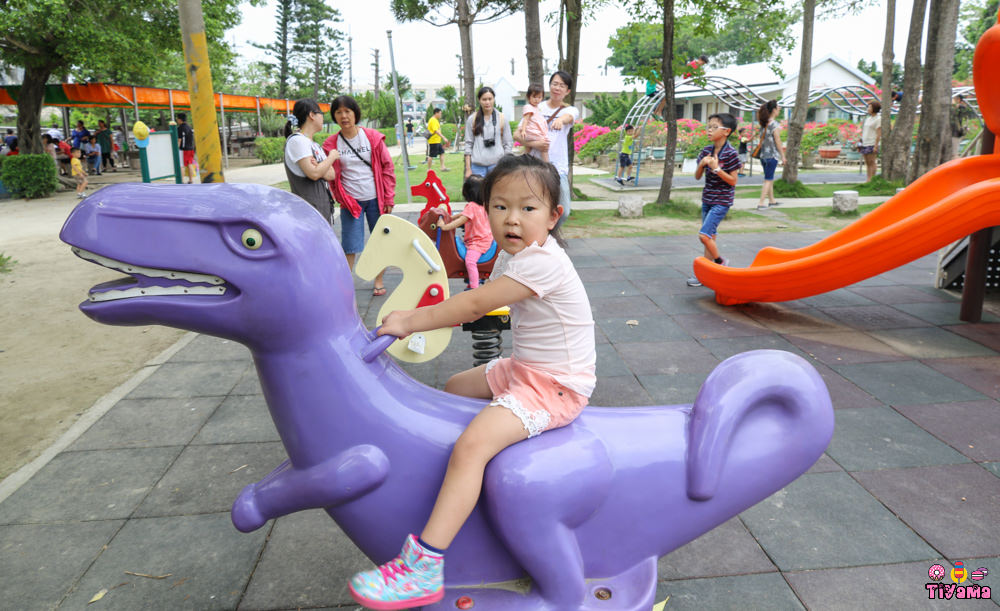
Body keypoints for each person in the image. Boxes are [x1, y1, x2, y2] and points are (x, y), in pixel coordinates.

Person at [347, 154, 596, 610]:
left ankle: (422, 567)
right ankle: (463, 487)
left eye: (528, 208)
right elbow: (477, 297)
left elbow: (473, 306)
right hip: (525, 367)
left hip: (555, 385)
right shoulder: (514, 255)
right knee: (456, 389)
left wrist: (410, 321)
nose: (512, 219)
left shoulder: (543, 263)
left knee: (471, 446)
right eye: (500, 207)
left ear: (553, 215)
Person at [322, 95, 397, 297]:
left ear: (355, 113)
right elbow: (331, 176)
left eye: (348, 111)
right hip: (350, 202)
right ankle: (345, 287)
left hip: (376, 199)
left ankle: (379, 280)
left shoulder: (372, 137)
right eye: (339, 112)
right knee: (350, 245)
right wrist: (340, 196)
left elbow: (387, 167)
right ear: (334, 116)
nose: (344, 116)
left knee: (379, 241)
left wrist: (389, 197)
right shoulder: (331, 144)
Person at [514, 71, 579, 224]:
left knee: (563, 210)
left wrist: (560, 121)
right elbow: (517, 135)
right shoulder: (536, 107)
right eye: (555, 84)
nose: (557, 88)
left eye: (562, 86)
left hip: (558, 168)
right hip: (534, 167)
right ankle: (540, 240)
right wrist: (534, 144)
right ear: (550, 86)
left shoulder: (569, 110)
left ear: (567, 91)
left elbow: (568, 117)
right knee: (533, 208)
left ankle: (549, 238)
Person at [686, 113, 741, 288]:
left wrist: (716, 169)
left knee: (704, 235)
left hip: (722, 201)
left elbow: (733, 181)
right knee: (711, 237)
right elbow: (697, 177)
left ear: (726, 131)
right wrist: (702, 164)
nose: (709, 130)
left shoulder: (731, 154)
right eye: (708, 126)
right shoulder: (706, 151)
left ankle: (719, 262)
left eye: (714, 127)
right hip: (707, 198)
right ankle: (705, 276)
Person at [283, 98, 339, 225]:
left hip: (320, 210)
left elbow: (331, 174)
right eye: (321, 114)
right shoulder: (297, 141)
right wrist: (331, 157)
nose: (323, 118)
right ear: (312, 115)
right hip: (309, 214)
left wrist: (319, 167)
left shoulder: (313, 144)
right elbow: (313, 174)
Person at [436, 175, 491, 289]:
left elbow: (462, 220)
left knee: (470, 261)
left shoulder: (471, 206)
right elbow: (462, 215)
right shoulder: (483, 205)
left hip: (478, 242)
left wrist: (445, 227)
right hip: (486, 238)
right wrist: (450, 217)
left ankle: (474, 287)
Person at [464, 86, 513, 177]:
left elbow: (508, 143)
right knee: (478, 191)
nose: (487, 102)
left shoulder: (502, 118)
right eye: (484, 99)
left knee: (496, 191)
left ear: (494, 99)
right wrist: (468, 169)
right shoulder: (472, 119)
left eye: (490, 99)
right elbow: (468, 144)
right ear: (479, 100)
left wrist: (505, 165)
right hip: (477, 168)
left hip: (497, 166)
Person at [755, 99, 786, 210]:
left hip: (763, 156)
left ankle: (772, 200)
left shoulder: (763, 124)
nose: (779, 110)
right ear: (773, 110)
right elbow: (778, 141)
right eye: (778, 108)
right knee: (768, 179)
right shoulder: (775, 125)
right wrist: (783, 156)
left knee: (769, 178)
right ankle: (761, 202)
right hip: (772, 155)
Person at [517, 84, 550, 163]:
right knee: (544, 146)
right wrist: (524, 130)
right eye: (534, 97)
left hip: (533, 132)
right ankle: (547, 165)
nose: (537, 100)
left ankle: (522, 161)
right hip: (531, 132)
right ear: (529, 97)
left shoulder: (537, 108)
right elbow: (526, 120)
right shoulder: (528, 107)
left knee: (528, 148)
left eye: (539, 97)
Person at [859, 101, 881, 182]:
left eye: (870, 107)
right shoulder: (868, 118)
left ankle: (872, 179)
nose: (868, 109)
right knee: (867, 162)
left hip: (872, 142)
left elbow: (879, 133)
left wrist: (876, 145)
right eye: (868, 107)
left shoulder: (878, 119)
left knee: (872, 162)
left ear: (874, 108)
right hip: (865, 142)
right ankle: (868, 179)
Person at [176, 113, 197, 183]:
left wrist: (177, 148)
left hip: (183, 149)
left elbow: (179, 140)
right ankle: (191, 180)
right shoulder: (189, 127)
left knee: (181, 165)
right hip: (191, 148)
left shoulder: (180, 128)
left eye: (177, 119)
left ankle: (181, 181)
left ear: (179, 119)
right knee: (189, 164)